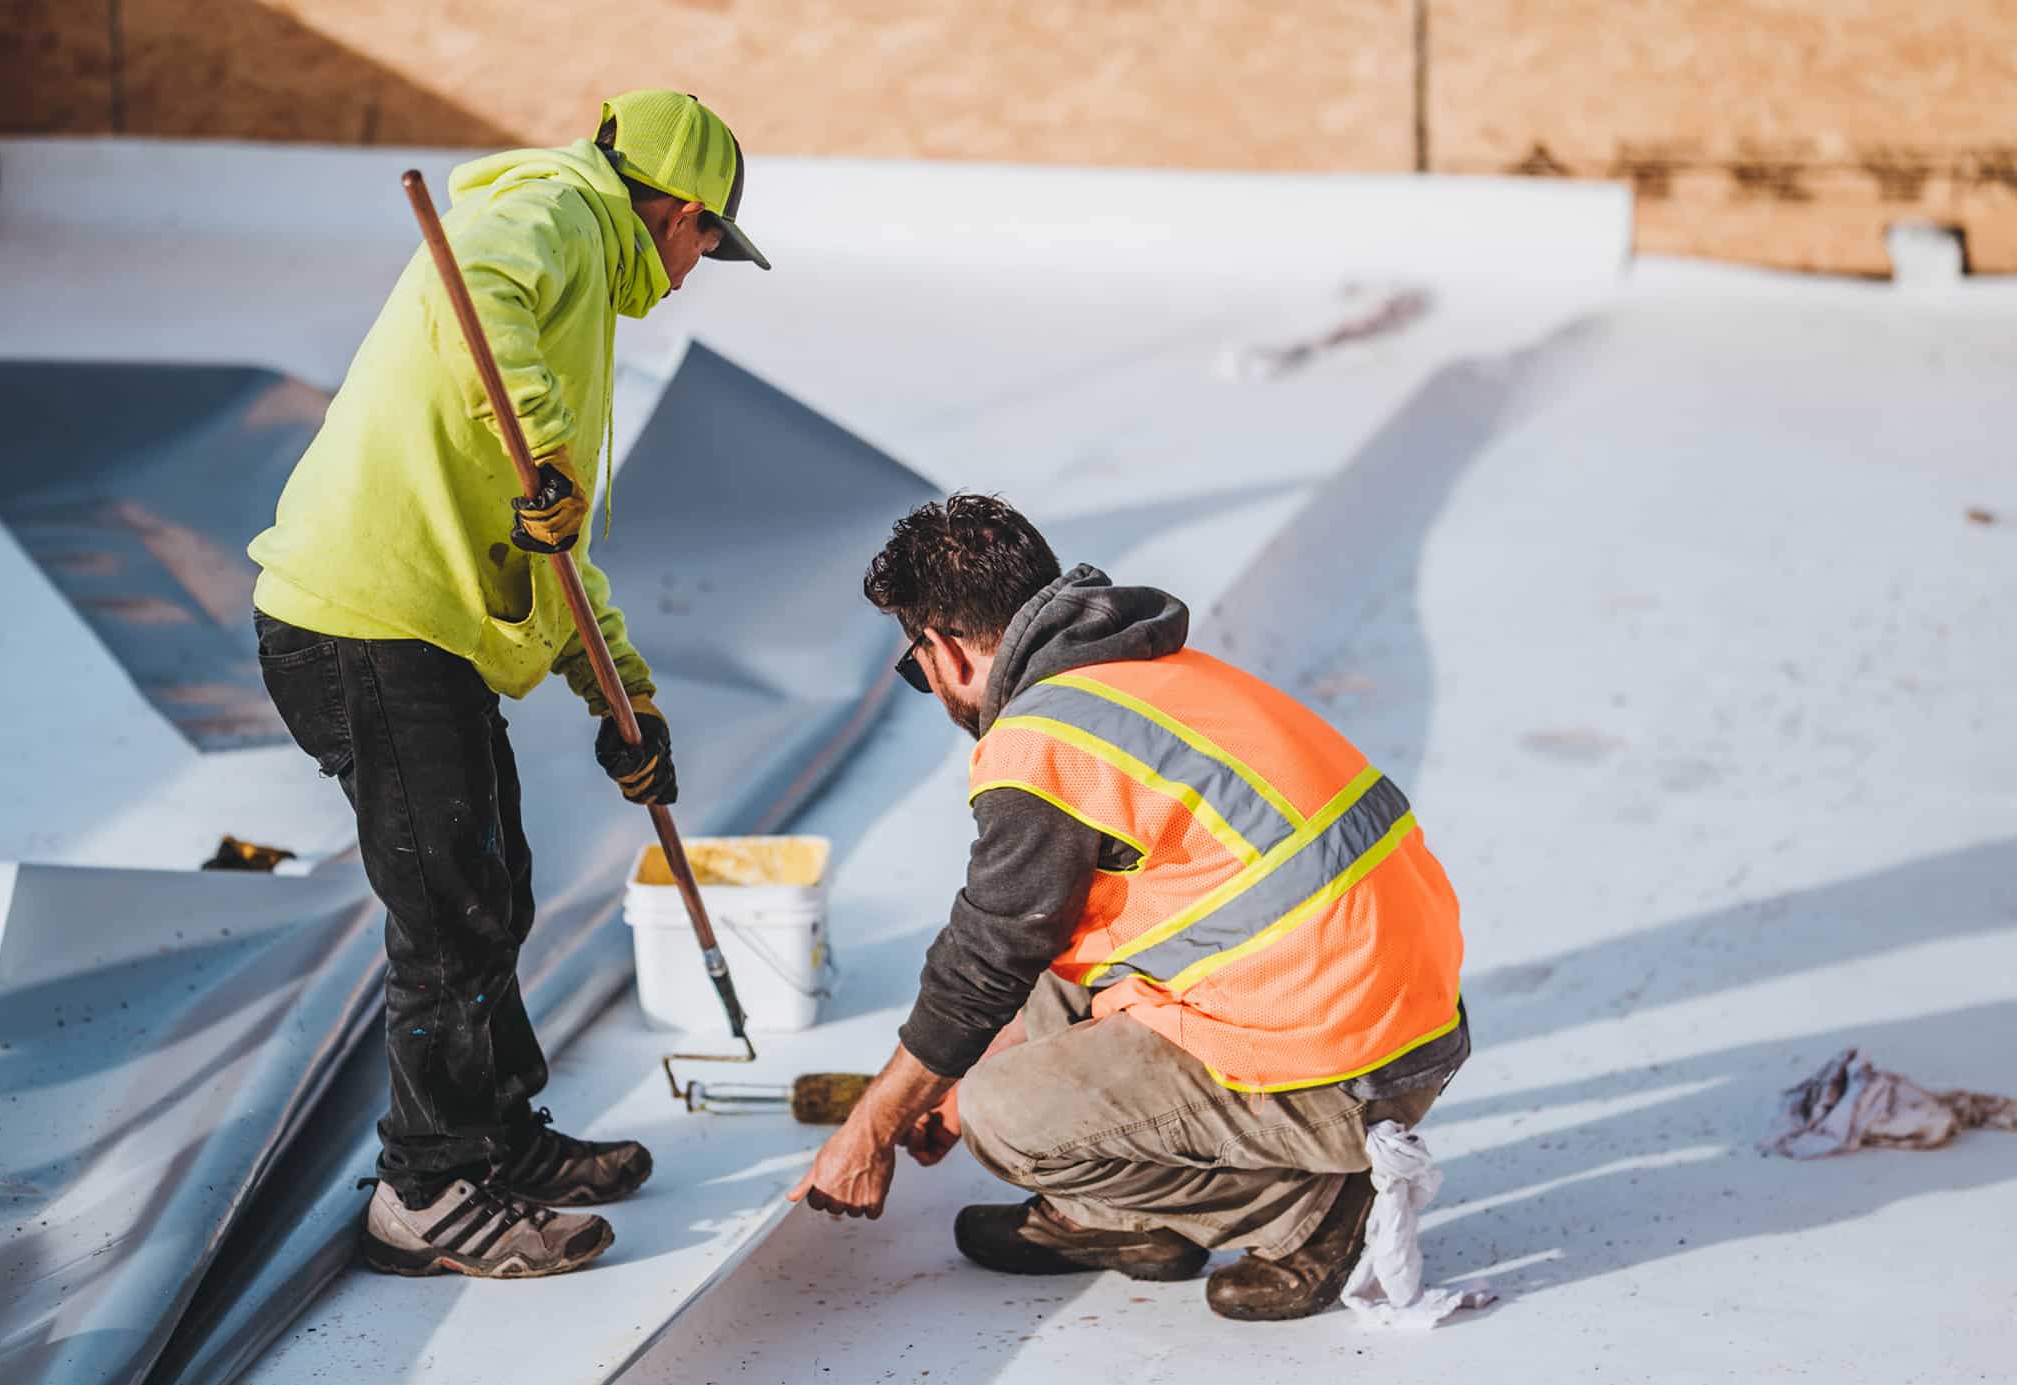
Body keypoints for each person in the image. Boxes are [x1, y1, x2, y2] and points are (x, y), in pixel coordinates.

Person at [247, 90, 769, 1280]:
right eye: (709, 245)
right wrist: (544, 444)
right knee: (448, 911)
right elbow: (476, 283)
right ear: (678, 214)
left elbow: (556, 547)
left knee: (494, 885)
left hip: (418, 631)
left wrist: (624, 697)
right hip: (363, 623)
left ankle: (494, 1133)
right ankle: (426, 1190)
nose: (696, 271)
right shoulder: (556, 210)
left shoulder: (578, 294)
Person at [790, 495, 1470, 1321]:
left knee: (1003, 1113)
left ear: (944, 649)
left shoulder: (1038, 743)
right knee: (1048, 975)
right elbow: (1032, 945)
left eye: (916, 668)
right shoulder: (1151, 678)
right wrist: (944, 1075)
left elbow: (981, 961)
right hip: (1404, 1016)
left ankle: (1310, 1211)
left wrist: (870, 1128)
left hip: (1341, 1067)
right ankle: (1111, 1218)